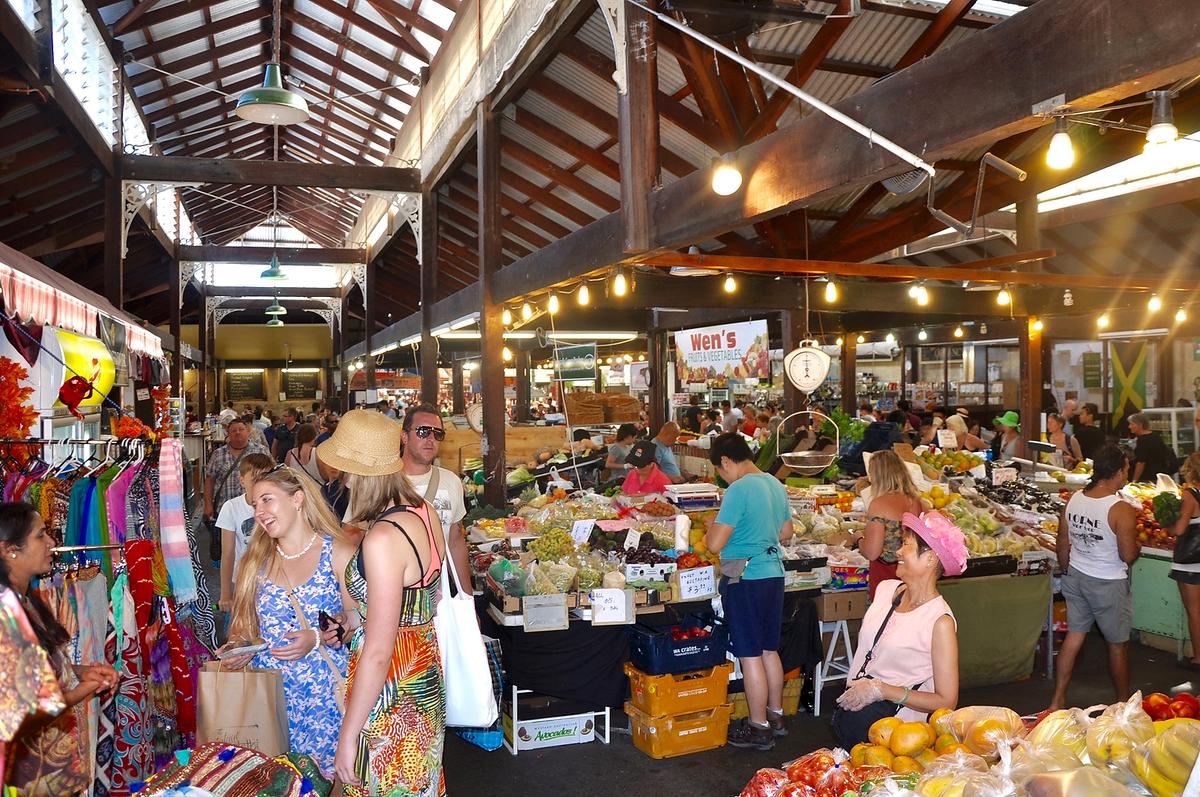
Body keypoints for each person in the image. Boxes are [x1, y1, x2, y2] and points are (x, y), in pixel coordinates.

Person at [315, 409, 447, 796]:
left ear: (362, 474)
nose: (345, 482)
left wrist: (348, 735)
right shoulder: (424, 514)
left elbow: (378, 650)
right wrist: (357, 617)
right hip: (423, 669)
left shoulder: (382, 538)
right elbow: (428, 599)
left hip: (392, 684)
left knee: (385, 782)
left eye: (347, 473)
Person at [220, 466, 354, 775]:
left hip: (324, 694)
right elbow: (246, 627)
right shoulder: (255, 560)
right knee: (277, 780)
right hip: (271, 695)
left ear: (297, 499)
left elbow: (359, 619)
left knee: (327, 778)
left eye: (267, 500)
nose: (260, 512)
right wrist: (239, 648)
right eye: (255, 505)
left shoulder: (338, 552)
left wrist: (317, 637)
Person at [1, 503, 118, 795]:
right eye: (41, 535)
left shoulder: (27, 600)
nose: (52, 543)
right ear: (9, 549)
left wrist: (81, 671)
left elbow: (44, 667)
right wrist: (84, 689)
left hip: (53, 762)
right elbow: (32, 709)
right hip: (29, 772)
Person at [833, 510, 965, 746]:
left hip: (898, 736)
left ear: (931, 559)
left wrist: (881, 690)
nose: (898, 551)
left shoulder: (939, 621)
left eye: (907, 545)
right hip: (855, 716)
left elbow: (946, 700)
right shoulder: (886, 590)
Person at [704, 433, 793, 751]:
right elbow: (786, 532)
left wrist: (712, 528)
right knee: (770, 649)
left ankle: (758, 726)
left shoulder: (738, 489)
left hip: (746, 577)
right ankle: (776, 715)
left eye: (720, 469)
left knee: (750, 654)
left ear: (726, 461)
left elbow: (714, 544)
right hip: (774, 574)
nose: (722, 475)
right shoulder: (773, 483)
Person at [1050, 444, 1139, 710]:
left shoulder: (1075, 499)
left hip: (1076, 576)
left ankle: (1057, 700)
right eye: (1125, 470)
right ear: (1116, 472)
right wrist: (1138, 548)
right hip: (1108, 582)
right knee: (1117, 645)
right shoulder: (1120, 509)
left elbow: (1062, 541)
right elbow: (1127, 555)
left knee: (1075, 637)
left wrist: (1067, 570)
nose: (1126, 476)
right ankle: (1123, 706)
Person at [401, 403, 472, 596]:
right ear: (404, 436)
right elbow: (354, 536)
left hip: (440, 601)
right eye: (423, 431)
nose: (430, 439)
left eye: (437, 434)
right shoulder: (380, 482)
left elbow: (455, 542)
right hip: (392, 598)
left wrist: (467, 599)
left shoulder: (451, 481)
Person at [216, 452, 276, 614]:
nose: (260, 483)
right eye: (255, 479)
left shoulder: (278, 505)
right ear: (242, 481)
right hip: (243, 582)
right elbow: (227, 553)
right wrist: (225, 593)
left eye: (266, 477)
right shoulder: (231, 507)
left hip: (275, 581)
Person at [860, 450, 925, 600]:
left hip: (887, 578)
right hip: (912, 576)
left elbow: (872, 552)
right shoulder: (915, 501)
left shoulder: (879, 504)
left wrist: (858, 539)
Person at [205, 418, 270, 559]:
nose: (238, 433)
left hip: (253, 508)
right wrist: (208, 504)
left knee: (253, 546)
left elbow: (272, 477)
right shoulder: (218, 454)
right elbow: (210, 480)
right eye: (233, 431)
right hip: (225, 508)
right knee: (228, 550)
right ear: (228, 434)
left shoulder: (260, 451)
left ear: (248, 431)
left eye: (241, 429)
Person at [1169, 452, 1200, 670]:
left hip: (1191, 560)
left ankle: (1198, 657)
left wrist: (1166, 524)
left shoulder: (1190, 494)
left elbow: (1179, 529)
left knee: (1194, 610)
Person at [1128, 411, 1173, 482]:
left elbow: (1141, 462)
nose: (1129, 427)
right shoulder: (1156, 436)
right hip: (1159, 475)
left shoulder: (1142, 440)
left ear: (1140, 425)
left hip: (1147, 478)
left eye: (1132, 424)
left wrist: (1134, 480)